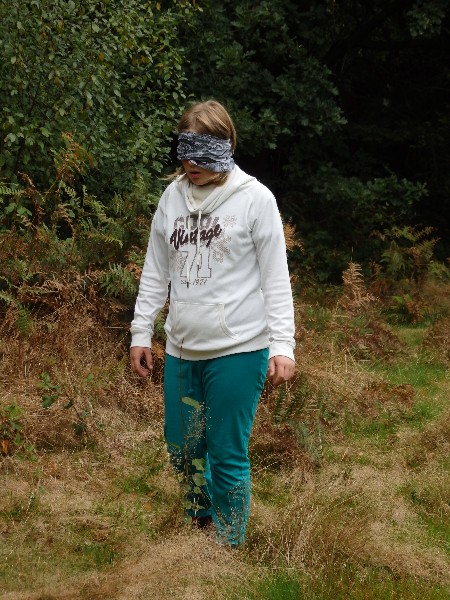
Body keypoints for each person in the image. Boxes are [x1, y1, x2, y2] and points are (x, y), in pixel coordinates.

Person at [130, 100, 295, 547]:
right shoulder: (172, 198)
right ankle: (198, 526)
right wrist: (141, 331)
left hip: (238, 349)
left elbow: (275, 279)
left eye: (202, 154)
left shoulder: (256, 200)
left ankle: (227, 543)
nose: (191, 164)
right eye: (185, 152)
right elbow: (155, 270)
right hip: (182, 349)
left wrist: (283, 345)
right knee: (183, 449)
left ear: (225, 147)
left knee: (225, 451)